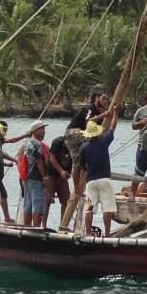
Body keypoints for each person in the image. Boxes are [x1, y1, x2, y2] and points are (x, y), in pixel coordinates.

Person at [59, 92, 111, 229]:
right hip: (73, 133)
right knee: (93, 139)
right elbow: (89, 122)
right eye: (103, 98)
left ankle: (77, 190)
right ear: (96, 99)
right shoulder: (90, 108)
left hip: (76, 142)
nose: (106, 100)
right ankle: (77, 189)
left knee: (77, 164)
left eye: (108, 99)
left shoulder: (102, 111)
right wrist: (105, 115)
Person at [78, 104, 120, 236]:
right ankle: (107, 233)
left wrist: (86, 169)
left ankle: (88, 233)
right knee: (107, 208)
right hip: (104, 180)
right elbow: (112, 127)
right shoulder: (103, 141)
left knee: (89, 208)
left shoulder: (84, 147)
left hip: (91, 182)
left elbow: (81, 166)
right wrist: (115, 113)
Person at [22, 120, 50, 226]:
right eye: (42, 129)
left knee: (28, 204)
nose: (44, 131)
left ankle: (26, 226)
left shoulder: (26, 142)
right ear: (35, 130)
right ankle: (36, 228)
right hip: (36, 177)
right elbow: (39, 161)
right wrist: (45, 177)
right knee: (37, 203)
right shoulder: (37, 143)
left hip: (27, 176)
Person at [45, 132, 72, 226]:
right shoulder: (58, 142)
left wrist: (70, 173)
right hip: (51, 174)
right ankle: (43, 225)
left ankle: (63, 225)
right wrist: (61, 171)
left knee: (66, 201)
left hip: (63, 176)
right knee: (47, 200)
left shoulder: (76, 144)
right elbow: (52, 158)